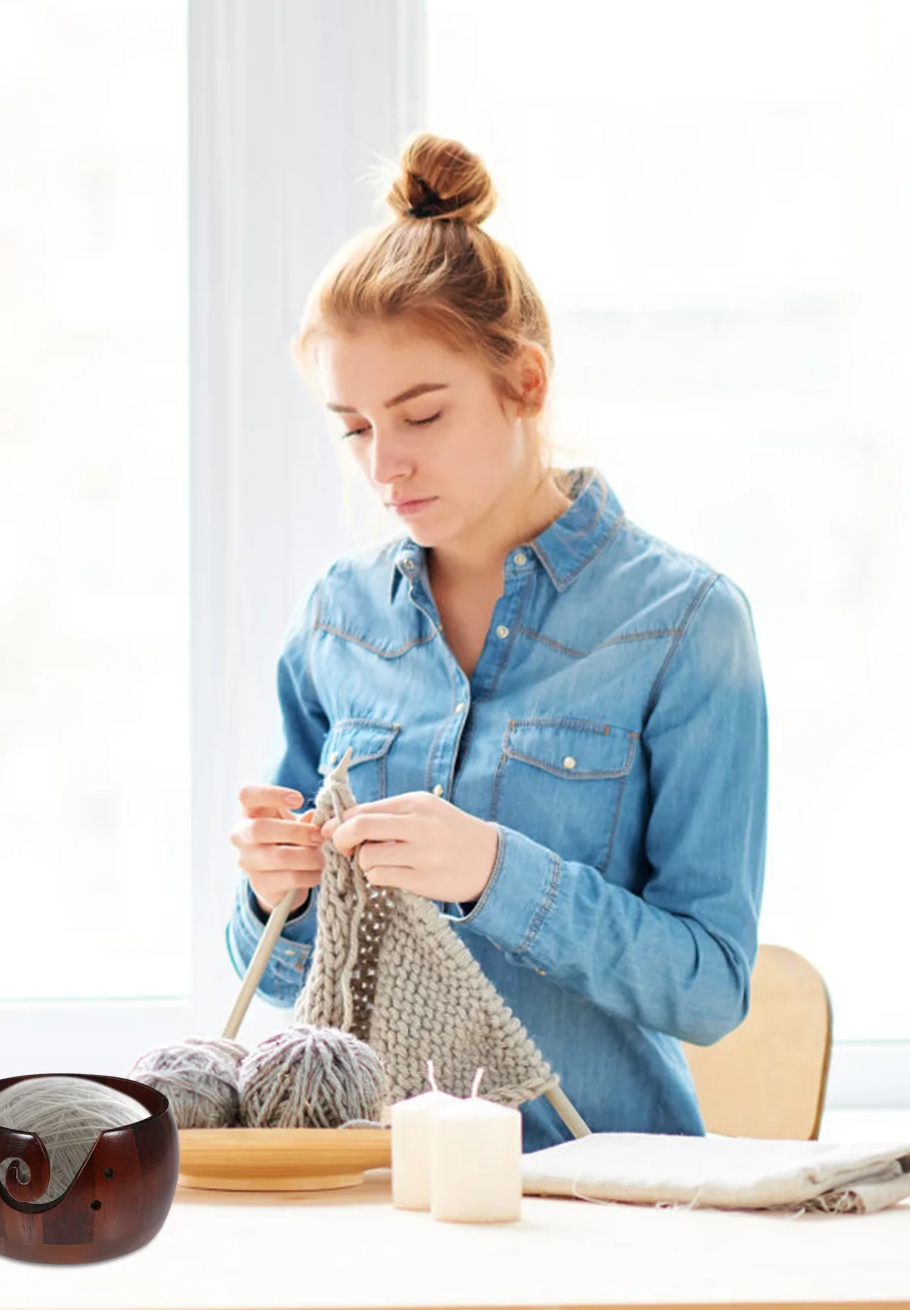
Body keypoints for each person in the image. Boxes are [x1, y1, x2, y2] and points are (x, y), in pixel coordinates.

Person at [225, 135, 768, 1153]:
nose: (384, 465)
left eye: (420, 414)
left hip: (596, 1197)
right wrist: (272, 894)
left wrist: (492, 872)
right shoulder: (338, 618)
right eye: (351, 427)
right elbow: (291, 976)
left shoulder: (685, 624)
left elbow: (710, 987)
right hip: (371, 1189)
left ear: (523, 381)